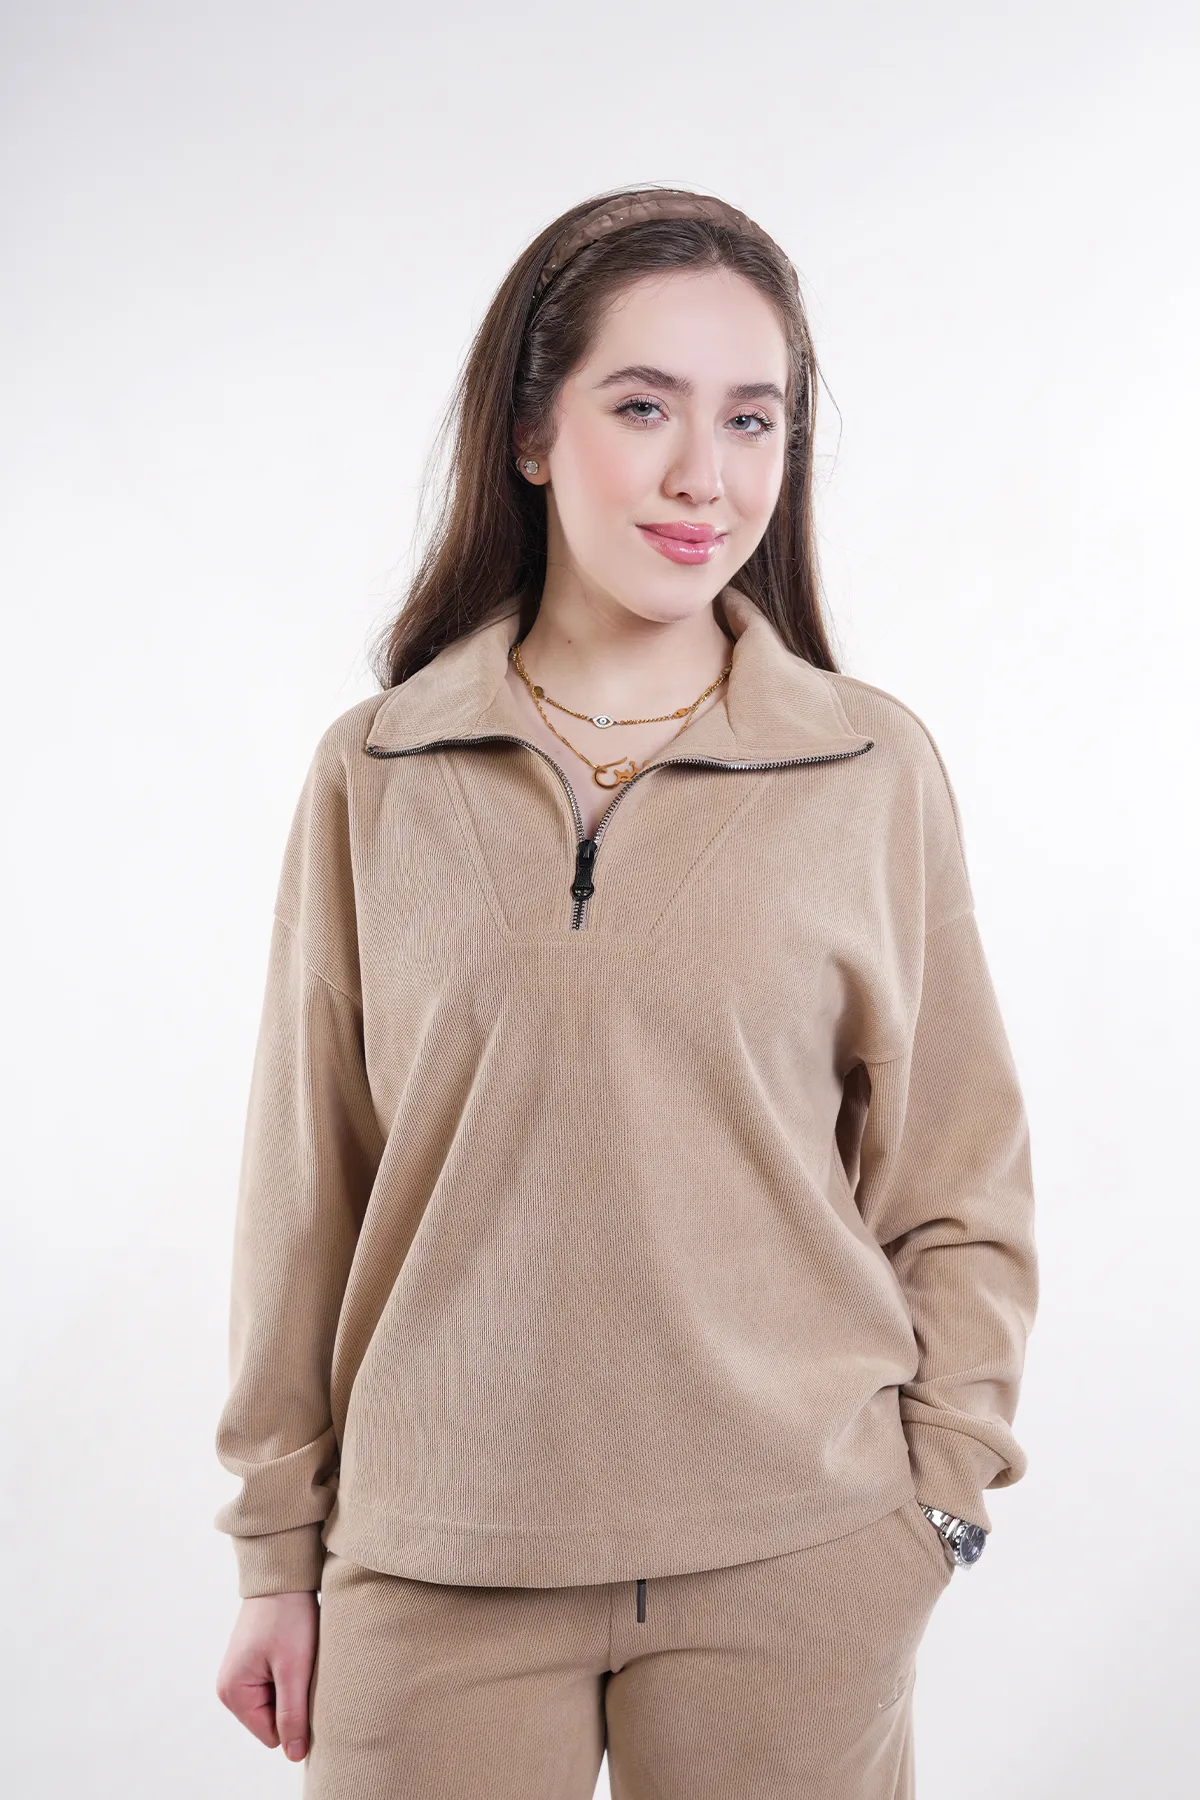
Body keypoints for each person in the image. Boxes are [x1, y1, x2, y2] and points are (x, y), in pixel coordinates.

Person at [212, 184, 1039, 1799]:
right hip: (435, 1556)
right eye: (645, 406)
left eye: (753, 419)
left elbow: (960, 1176)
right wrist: (273, 1550)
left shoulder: (868, 766)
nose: (702, 475)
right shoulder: (380, 771)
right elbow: (305, 1190)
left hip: (795, 1557)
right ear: (531, 432)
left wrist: (939, 1496)